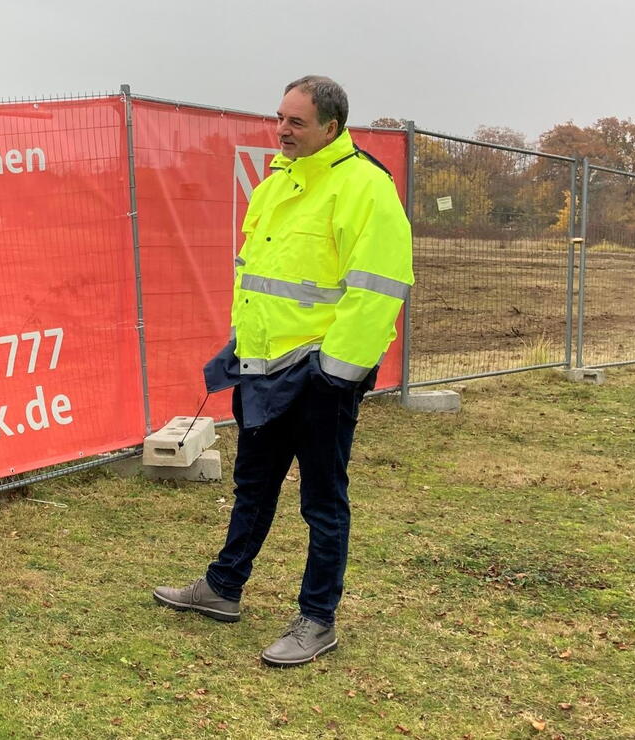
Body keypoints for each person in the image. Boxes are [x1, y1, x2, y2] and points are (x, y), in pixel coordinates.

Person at [152, 76, 413, 667]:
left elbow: (377, 291)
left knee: (322, 502)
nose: (282, 129)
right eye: (280, 118)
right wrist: (241, 346)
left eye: (296, 121)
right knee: (254, 486)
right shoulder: (277, 181)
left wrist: (336, 374)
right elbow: (258, 279)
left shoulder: (365, 188)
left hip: (321, 379)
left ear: (332, 126)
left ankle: (317, 619)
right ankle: (223, 588)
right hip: (264, 373)